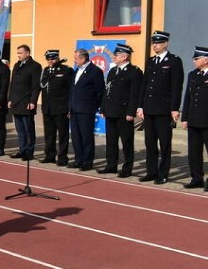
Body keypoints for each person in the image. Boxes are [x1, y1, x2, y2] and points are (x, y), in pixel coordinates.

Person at [137, 31, 184, 184]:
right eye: (153, 43)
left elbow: (177, 87)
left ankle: (163, 174)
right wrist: (140, 106)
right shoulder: (151, 61)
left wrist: (175, 108)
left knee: (164, 144)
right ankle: (151, 171)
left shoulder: (174, 61)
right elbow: (144, 85)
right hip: (149, 109)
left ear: (166, 44)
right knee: (150, 143)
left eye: (158, 43)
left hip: (164, 110)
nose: (155, 45)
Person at [98, 44, 143, 178]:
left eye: (116, 55)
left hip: (124, 113)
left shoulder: (134, 72)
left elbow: (135, 94)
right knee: (111, 141)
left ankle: (127, 168)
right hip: (111, 111)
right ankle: (111, 165)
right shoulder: (113, 71)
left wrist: (131, 112)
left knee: (127, 141)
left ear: (124, 56)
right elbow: (107, 91)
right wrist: (103, 107)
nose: (114, 57)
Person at [68, 48, 105, 171]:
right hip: (74, 109)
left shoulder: (95, 71)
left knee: (86, 136)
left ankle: (87, 161)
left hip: (86, 110)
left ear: (83, 59)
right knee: (76, 136)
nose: (74, 61)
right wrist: (69, 107)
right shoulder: (77, 71)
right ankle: (78, 159)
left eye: (76, 58)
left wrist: (95, 107)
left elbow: (100, 92)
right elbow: (72, 91)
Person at [40, 50, 74, 165]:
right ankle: (50, 155)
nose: (50, 61)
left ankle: (63, 157)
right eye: (48, 59)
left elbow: (71, 90)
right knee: (49, 134)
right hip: (47, 108)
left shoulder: (66, 70)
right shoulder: (45, 71)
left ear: (58, 59)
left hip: (61, 108)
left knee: (63, 134)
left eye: (53, 59)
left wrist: (70, 107)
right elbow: (42, 85)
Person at [181, 46, 208, 191]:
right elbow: (188, 98)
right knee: (194, 152)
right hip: (193, 119)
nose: (193, 61)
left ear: (206, 59)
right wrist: (185, 118)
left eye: (196, 58)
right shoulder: (193, 75)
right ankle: (196, 178)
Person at [8, 44, 42, 160]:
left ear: (27, 53)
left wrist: (33, 101)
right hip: (16, 102)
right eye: (17, 53)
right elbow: (12, 84)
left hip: (26, 102)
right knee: (20, 130)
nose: (18, 55)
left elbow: (35, 86)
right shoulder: (17, 65)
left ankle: (29, 152)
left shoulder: (35, 66)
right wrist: (10, 99)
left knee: (28, 130)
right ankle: (22, 150)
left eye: (21, 53)